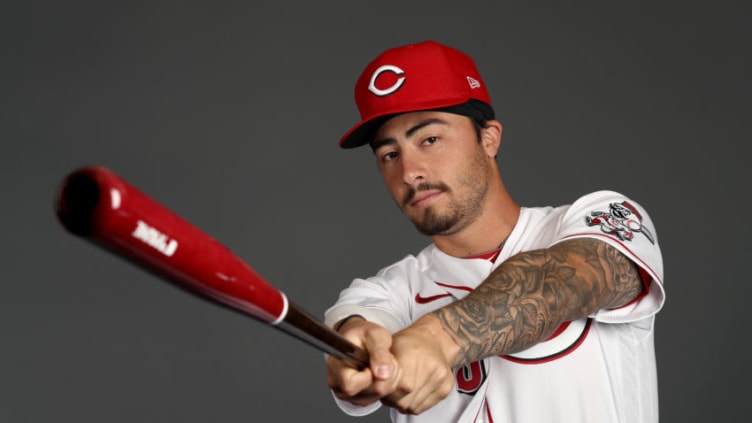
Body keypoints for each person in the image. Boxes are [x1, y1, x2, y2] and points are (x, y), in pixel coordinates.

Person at [324, 40, 664, 423]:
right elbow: (358, 330)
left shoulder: (601, 220)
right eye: (389, 155)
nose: (409, 171)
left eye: (430, 139)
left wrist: (439, 337)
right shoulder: (387, 292)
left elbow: (569, 277)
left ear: (489, 138)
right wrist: (362, 357)